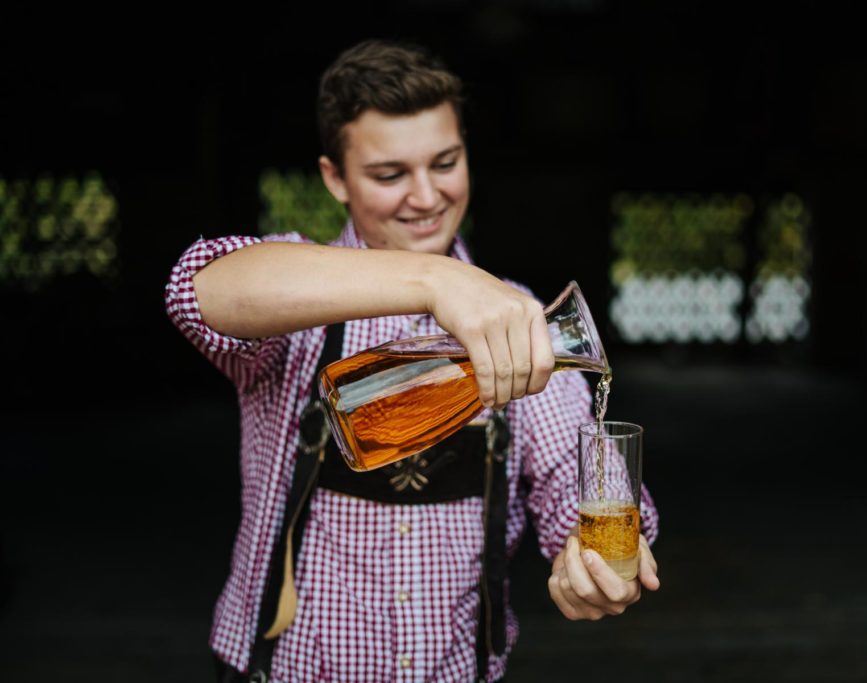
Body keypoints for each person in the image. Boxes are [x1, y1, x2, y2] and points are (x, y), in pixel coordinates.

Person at [165, 39, 660, 683]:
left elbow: (580, 483)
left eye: (445, 163)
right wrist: (433, 278)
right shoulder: (293, 298)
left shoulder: (519, 317)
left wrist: (590, 561)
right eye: (389, 174)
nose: (426, 198)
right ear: (334, 178)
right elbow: (197, 290)